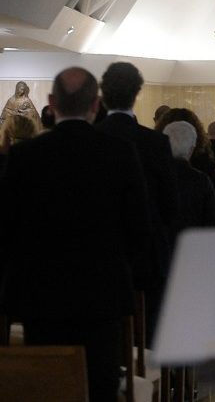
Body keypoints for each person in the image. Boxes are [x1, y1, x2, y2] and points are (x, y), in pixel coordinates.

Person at [0, 67, 151, 402]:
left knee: (48, 388)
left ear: (51, 103)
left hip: (40, 298)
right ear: (96, 104)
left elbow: (8, 228)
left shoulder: (25, 156)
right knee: (99, 386)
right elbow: (139, 228)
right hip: (102, 296)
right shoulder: (119, 153)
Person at [96, 61, 179, 346]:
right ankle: (151, 388)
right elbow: (170, 208)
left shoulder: (92, 140)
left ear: (103, 94)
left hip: (99, 262)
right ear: (137, 94)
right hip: (146, 263)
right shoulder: (154, 143)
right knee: (147, 340)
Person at [162, 121, 215, 230]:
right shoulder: (200, 180)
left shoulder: (151, 174)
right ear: (192, 149)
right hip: (193, 243)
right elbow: (214, 222)